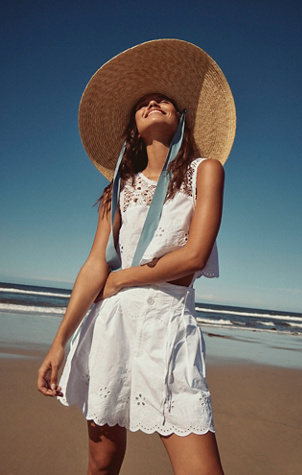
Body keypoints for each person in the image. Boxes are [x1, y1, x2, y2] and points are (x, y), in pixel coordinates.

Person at [37, 39, 236, 475]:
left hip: (168, 329)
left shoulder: (206, 171)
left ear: (181, 115)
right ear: (132, 124)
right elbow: (94, 266)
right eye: (143, 102)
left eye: (163, 99)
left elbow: (194, 255)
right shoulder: (118, 190)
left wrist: (121, 279)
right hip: (112, 328)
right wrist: (59, 342)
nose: (153, 102)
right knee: (102, 463)